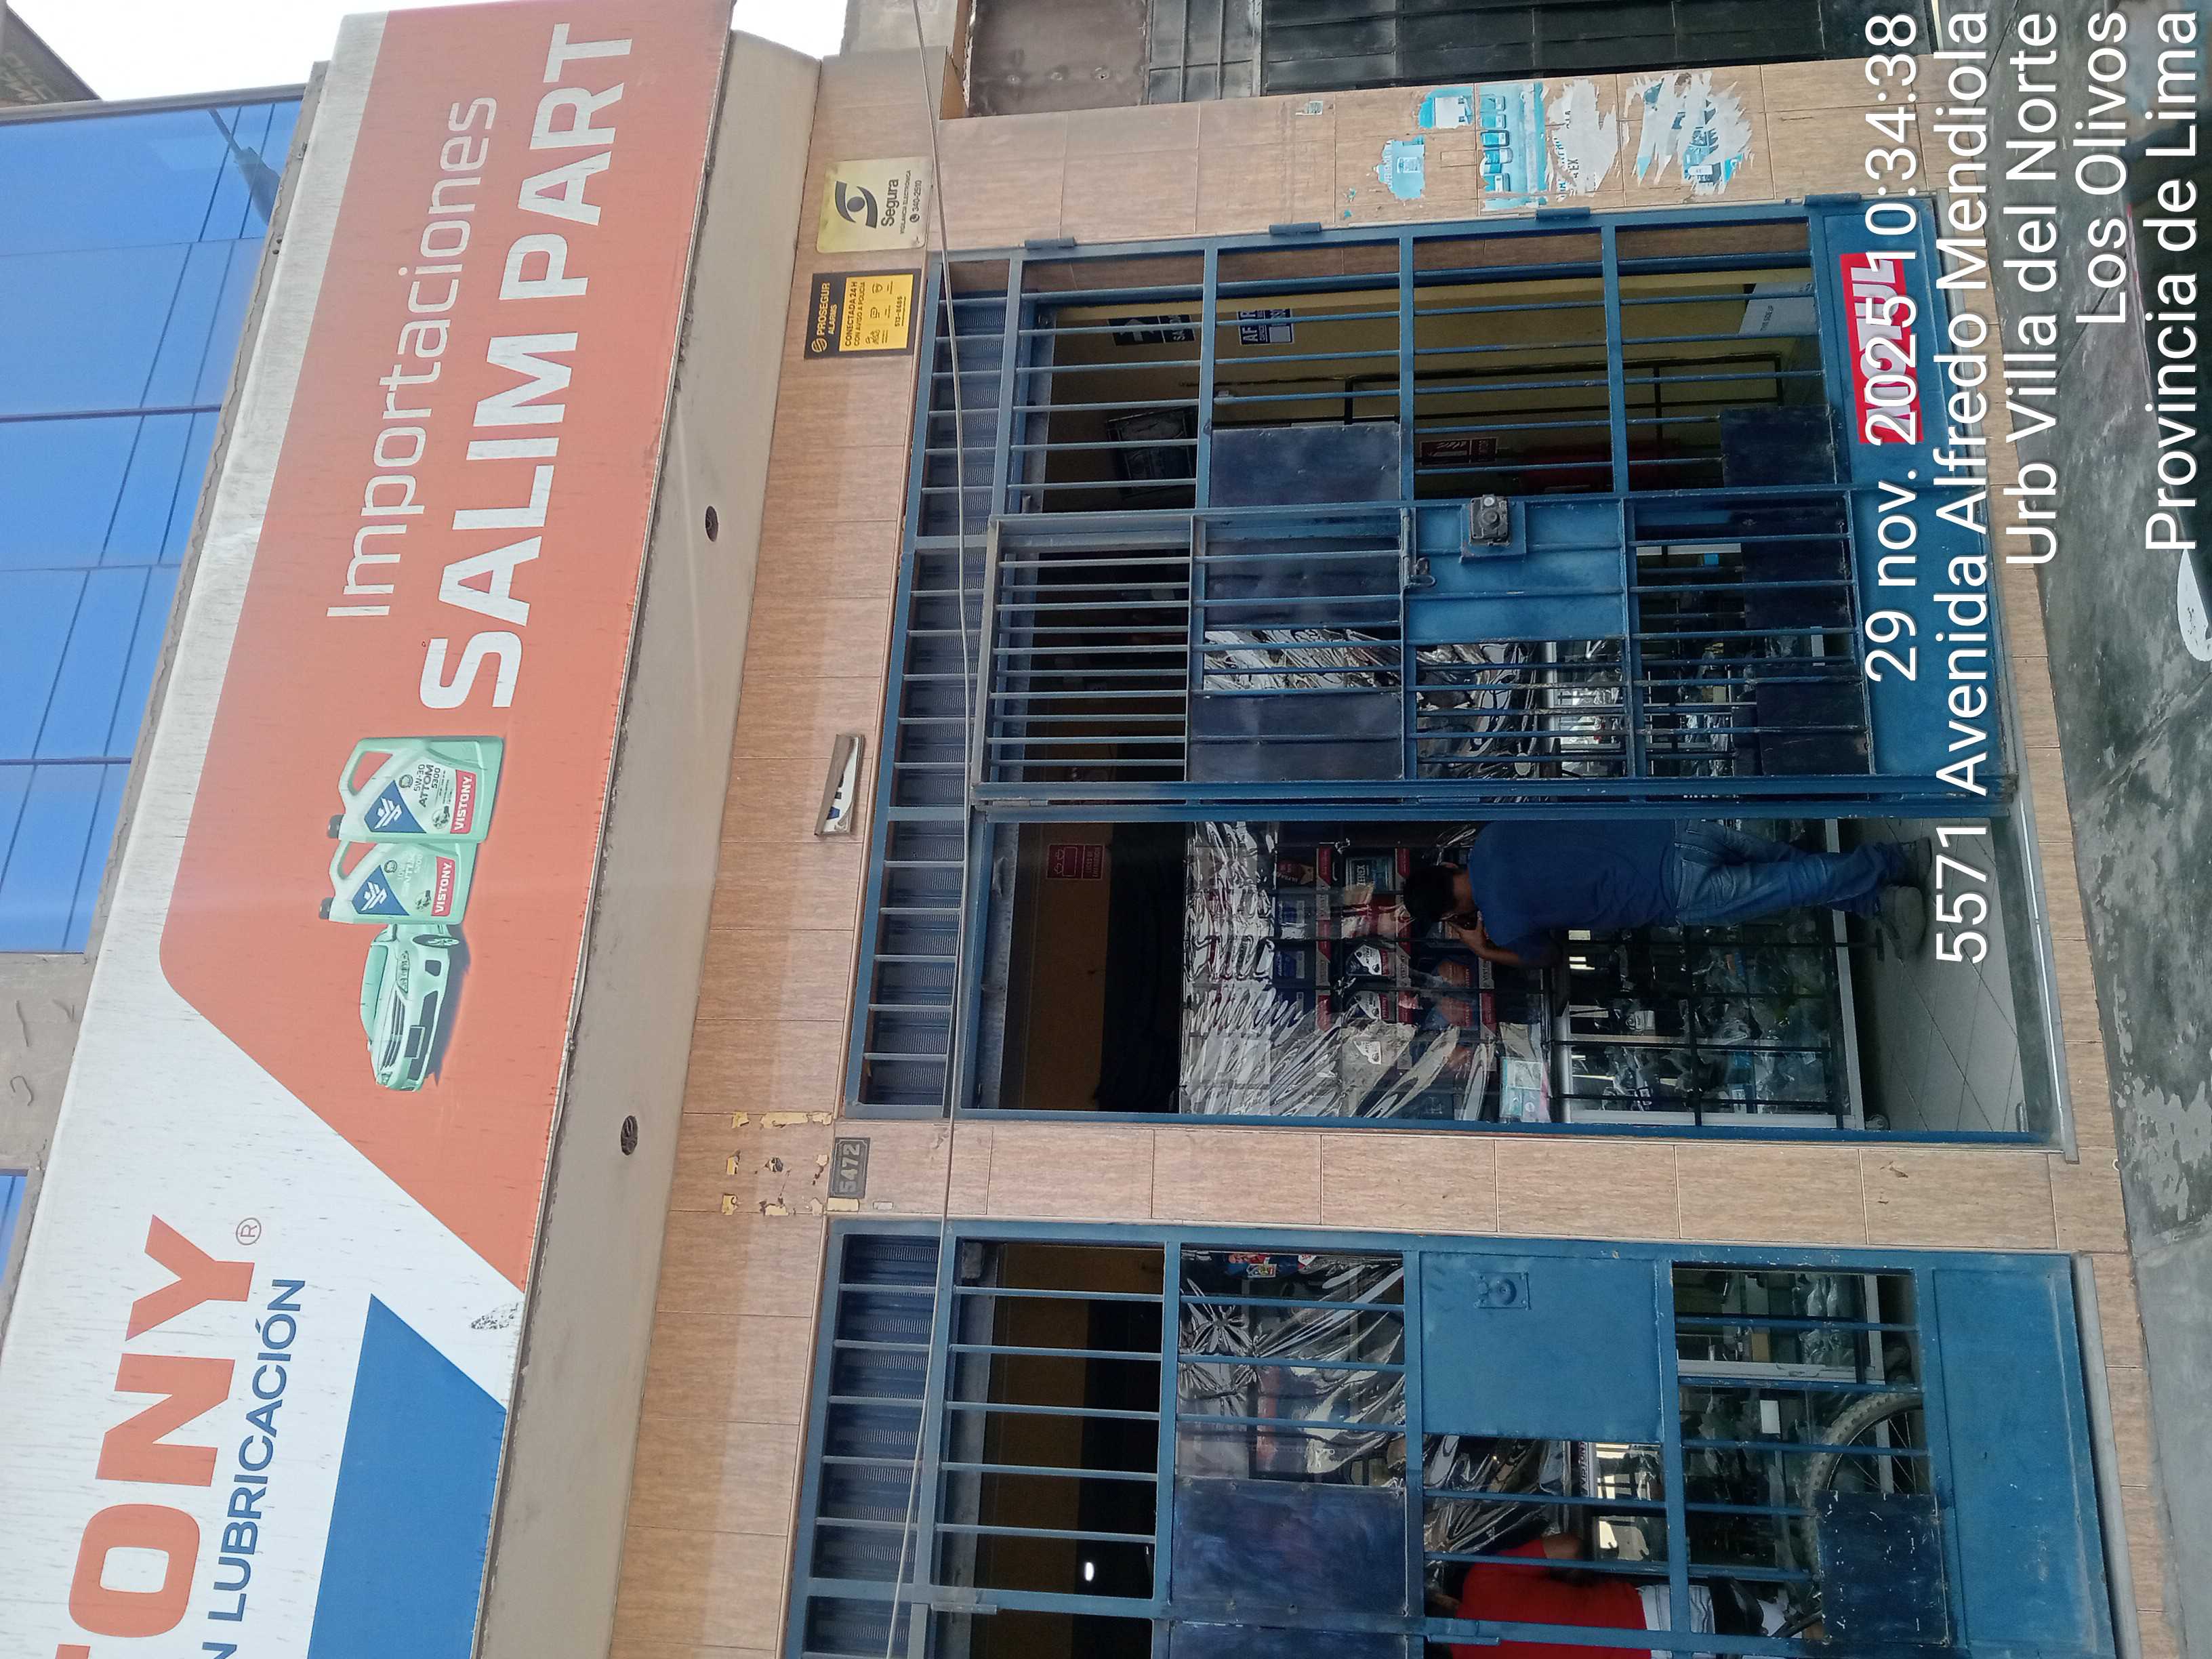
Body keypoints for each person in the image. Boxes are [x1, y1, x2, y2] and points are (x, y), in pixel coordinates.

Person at [1402, 821, 1927, 968]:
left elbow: (1547, 958)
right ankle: (1879, 895)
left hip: (1670, 892)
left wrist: (1483, 949)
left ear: (1451, 913)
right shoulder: (1494, 834)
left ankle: (1887, 867)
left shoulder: (1505, 921)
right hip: (1675, 831)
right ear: (1447, 865)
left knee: (1788, 885)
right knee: (1785, 865)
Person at [1439, 1531, 1776, 1659]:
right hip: (1654, 1612)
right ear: (1442, 1601)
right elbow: (1570, 1547)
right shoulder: (1482, 1580)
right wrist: (1570, 1588)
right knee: (1785, 1627)